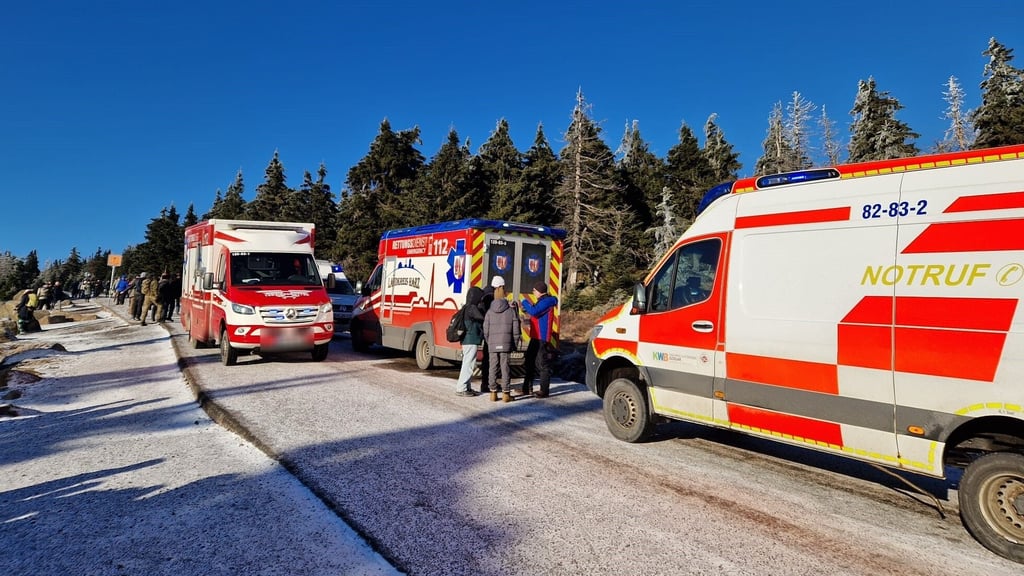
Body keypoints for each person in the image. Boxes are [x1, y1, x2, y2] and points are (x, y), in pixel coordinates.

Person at [482, 275, 520, 402]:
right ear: (503, 289)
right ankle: (506, 394)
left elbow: (485, 329)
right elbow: (516, 329)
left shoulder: (489, 311)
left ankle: (493, 393)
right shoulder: (510, 310)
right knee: (505, 367)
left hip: (492, 344)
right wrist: (514, 344)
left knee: (492, 367)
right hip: (506, 344)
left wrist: (489, 341)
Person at [520, 281, 558, 398]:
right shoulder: (542, 301)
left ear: (540, 291)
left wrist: (524, 302)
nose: (533, 292)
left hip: (542, 337)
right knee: (529, 361)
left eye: (534, 290)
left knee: (542, 364)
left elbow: (534, 312)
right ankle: (526, 388)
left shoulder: (547, 302)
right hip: (536, 336)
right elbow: (535, 314)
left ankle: (544, 390)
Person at [454, 286, 484, 397]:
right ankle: (461, 388)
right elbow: (482, 318)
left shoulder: (466, 307)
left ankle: (467, 387)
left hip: (467, 340)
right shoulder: (472, 308)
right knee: (468, 364)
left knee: (467, 363)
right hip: (471, 340)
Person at [477, 282, 496, 394]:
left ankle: (486, 383)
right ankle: (488, 383)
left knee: (487, 361)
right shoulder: (491, 301)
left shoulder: (482, 302)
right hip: (492, 335)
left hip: (486, 335)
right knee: (492, 361)